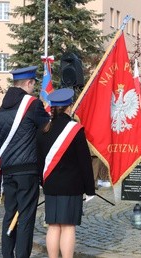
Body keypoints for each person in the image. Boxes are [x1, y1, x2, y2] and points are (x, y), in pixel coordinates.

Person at [0, 66, 51, 258]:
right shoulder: (32, 104)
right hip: (27, 170)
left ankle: (6, 255)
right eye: (33, 84)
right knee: (26, 217)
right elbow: (47, 127)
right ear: (28, 83)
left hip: (7, 170)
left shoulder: (3, 107)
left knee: (10, 215)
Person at [37, 88, 95, 258]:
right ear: (69, 107)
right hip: (72, 186)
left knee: (53, 226)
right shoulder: (75, 130)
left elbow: (39, 161)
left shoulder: (43, 129)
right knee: (68, 227)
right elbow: (85, 162)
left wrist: (43, 182)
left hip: (51, 185)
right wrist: (90, 189)